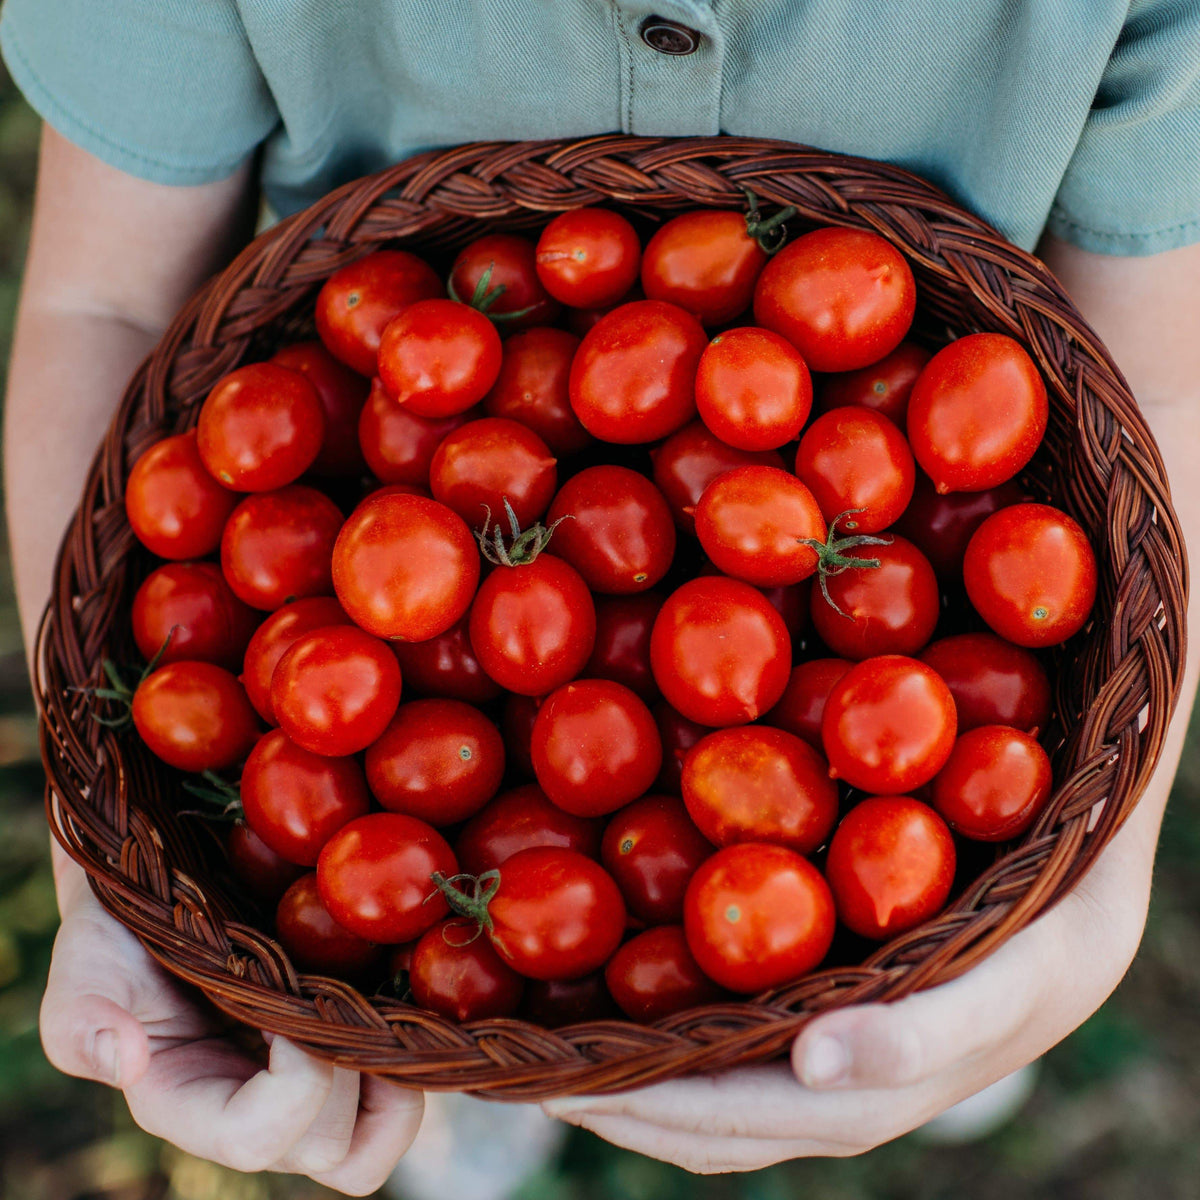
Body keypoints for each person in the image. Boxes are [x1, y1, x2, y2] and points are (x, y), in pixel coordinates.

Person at [2, 0, 1198, 1191]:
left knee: (931, 992)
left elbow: (1158, 397)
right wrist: (104, 869)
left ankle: (945, 1010)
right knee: (459, 998)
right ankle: (480, 1085)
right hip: (479, 429)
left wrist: (1085, 914)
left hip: (846, 665)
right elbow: (104, 305)